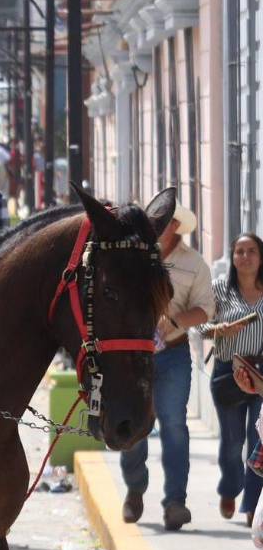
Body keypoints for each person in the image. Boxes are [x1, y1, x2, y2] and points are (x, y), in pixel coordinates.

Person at [119, 204, 214, 531]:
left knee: (174, 426)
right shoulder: (133, 255)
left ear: (175, 225)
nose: (157, 225)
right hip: (135, 355)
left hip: (173, 353)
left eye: (164, 221)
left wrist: (174, 320)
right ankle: (135, 490)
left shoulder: (194, 263)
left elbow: (205, 309)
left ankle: (175, 502)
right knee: (134, 424)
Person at [201, 232, 263, 527]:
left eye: (251, 251)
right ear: (232, 257)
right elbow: (198, 327)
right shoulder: (219, 289)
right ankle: (230, 488)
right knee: (233, 439)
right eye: (239, 251)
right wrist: (217, 330)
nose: (245, 257)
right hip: (229, 372)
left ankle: (252, 503)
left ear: (261, 257)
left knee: (259, 440)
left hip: (261, 374)